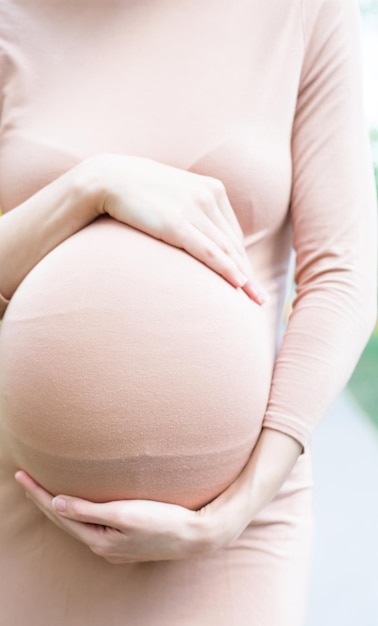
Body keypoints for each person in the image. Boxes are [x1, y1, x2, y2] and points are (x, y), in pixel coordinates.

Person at [0, 0, 376, 624]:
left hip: (241, 522)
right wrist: (88, 187)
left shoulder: (303, 12)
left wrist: (235, 511)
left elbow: (342, 278)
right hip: (27, 500)